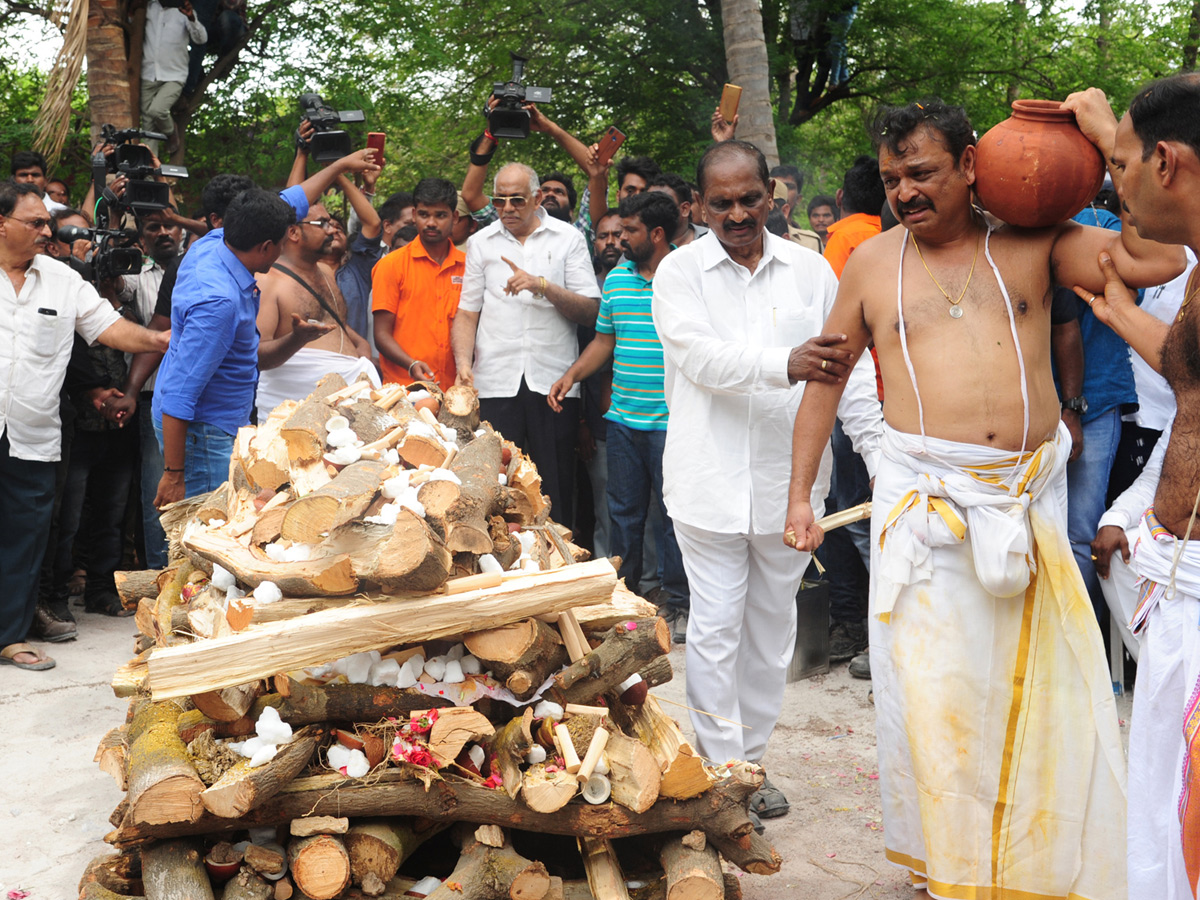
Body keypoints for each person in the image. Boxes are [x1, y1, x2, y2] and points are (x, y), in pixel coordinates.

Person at [784, 97, 1184, 898]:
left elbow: (1160, 260)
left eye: (923, 172)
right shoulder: (869, 264)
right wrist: (802, 497)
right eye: (894, 178)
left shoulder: (1035, 244)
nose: (905, 192)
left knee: (1030, 694)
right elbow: (826, 383)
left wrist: (1105, 145)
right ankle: (953, 869)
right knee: (937, 698)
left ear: (973, 163)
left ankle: (1031, 864)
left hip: (1027, 506)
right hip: (928, 512)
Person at [652, 140, 883, 828]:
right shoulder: (679, 275)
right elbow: (700, 358)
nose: (736, 212)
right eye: (719, 202)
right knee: (718, 629)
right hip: (708, 485)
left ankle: (750, 765)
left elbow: (849, 370)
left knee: (771, 632)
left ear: (771, 197)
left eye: (749, 197)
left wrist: (878, 451)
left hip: (793, 488)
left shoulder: (812, 274)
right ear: (697, 206)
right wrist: (785, 363)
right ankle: (720, 774)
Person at [1067, 76, 1200, 900]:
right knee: (1165, 816)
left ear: (1165, 161)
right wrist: (1120, 311)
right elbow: (1196, 385)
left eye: (1118, 165)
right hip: (1180, 576)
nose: (1113, 186)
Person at [0, 182, 169, 671]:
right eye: (34, 222)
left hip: (33, 432)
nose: (46, 230)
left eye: (46, 223)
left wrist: (155, 338)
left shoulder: (62, 279)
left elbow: (106, 327)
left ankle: (10, 637)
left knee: (25, 537)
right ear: (2, 224)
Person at [152, 149, 378, 508]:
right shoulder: (219, 304)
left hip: (217, 425)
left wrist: (337, 166)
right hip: (202, 434)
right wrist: (174, 474)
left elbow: (294, 199)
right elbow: (180, 394)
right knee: (203, 536)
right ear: (267, 246)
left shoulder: (218, 240)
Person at [550, 191, 691, 642]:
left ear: (655, 233)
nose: (620, 239)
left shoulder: (687, 276)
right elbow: (604, 341)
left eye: (629, 230)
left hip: (676, 423)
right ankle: (624, 598)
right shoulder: (616, 280)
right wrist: (571, 375)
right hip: (624, 422)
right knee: (624, 514)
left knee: (675, 518)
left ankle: (679, 604)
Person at [452, 162, 601, 527]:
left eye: (516, 200)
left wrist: (543, 286)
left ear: (537, 199)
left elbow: (591, 311)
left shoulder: (567, 238)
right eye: (500, 200)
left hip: (553, 383)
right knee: (497, 484)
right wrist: (463, 364)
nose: (506, 209)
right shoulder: (482, 242)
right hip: (494, 380)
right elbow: (467, 313)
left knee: (556, 486)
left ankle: (562, 568)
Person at [255, 200, 377, 421]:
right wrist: (296, 339)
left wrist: (361, 345)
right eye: (322, 223)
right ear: (293, 232)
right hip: (295, 406)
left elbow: (332, 323)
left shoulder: (325, 271)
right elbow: (257, 356)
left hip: (349, 395)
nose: (332, 230)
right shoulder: (267, 281)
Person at [372, 177, 465, 392]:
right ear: (414, 216)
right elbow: (381, 334)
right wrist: (411, 363)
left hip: (457, 392)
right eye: (424, 214)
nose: (431, 223)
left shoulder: (469, 266)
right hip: (405, 392)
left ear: (455, 217)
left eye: (440, 215)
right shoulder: (391, 265)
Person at [140, 0, 207, 156]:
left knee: (157, 111)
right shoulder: (150, 7)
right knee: (147, 127)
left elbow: (201, 39)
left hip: (174, 75)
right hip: (148, 73)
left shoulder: (183, 11)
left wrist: (192, 18)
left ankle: (171, 131)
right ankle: (150, 174)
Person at [648, 172, 708, 246]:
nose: (654, 210)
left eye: (662, 204)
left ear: (685, 209)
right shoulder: (640, 246)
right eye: (649, 205)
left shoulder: (713, 240)